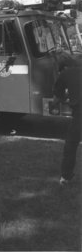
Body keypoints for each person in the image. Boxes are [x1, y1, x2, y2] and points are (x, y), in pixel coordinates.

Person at [52, 56, 82, 186]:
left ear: (63, 68)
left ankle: (66, 177)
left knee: (71, 144)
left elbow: (57, 98)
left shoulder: (65, 73)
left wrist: (58, 102)